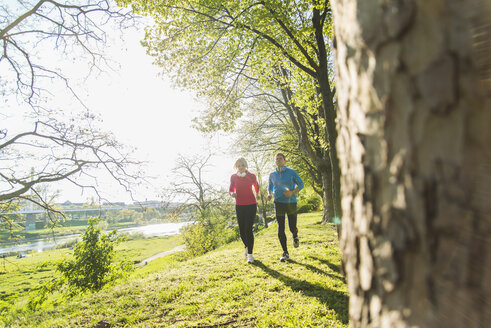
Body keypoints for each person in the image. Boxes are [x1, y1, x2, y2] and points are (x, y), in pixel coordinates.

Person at [267, 153, 304, 262]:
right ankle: (285, 252)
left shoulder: (292, 172)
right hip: (278, 203)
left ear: (285, 161)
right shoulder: (272, 175)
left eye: (280, 158)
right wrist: (269, 194)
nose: (278, 160)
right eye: (276, 159)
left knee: (292, 227)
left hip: (291, 203)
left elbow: (301, 185)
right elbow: (269, 186)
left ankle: (295, 235)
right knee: (280, 228)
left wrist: (292, 192)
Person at [229, 157, 259, 264]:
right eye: (239, 166)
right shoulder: (233, 177)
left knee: (248, 229)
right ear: (236, 167)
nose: (241, 167)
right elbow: (231, 189)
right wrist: (232, 194)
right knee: (242, 231)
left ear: (246, 166)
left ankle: (250, 255)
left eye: (242, 165)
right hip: (239, 206)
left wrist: (257, 193)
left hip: (251, 205)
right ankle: (246, 246)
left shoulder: (251, 176)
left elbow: (256, 185)